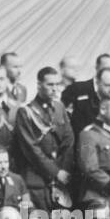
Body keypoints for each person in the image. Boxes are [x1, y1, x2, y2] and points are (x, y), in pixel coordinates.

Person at [16, 66, 76, 211]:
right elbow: (31, 149)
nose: (55, 89)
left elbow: (69, 140)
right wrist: (55, 172)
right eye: (50, 84)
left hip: (61, 178)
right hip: (37, 179)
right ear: (39, 85)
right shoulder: (26, 112)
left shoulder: (60, 107)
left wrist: (64, 170)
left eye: (57, 84)